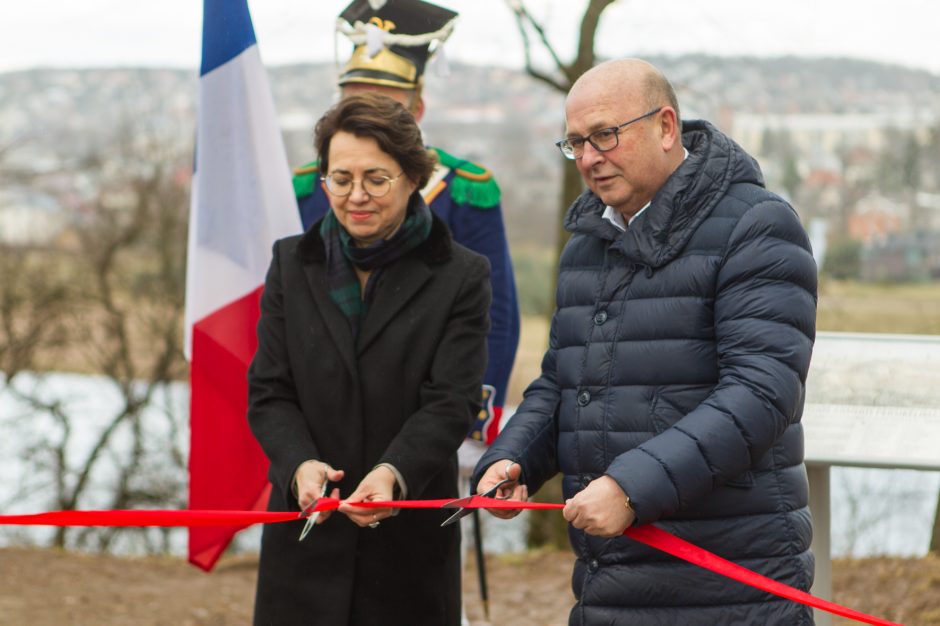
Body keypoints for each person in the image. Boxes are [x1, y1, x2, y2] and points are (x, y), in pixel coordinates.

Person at [473, 59, 818, 625]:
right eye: (576, 142)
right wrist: (512, 459)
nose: (588, 158)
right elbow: (561, 382)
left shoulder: (757, 225)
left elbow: (762, 394)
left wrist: (629, 490)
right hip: (611, 583)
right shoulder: (586, 245)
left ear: (665, 126)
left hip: (731, 588)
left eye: (605, 135)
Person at [248, 93, 491, 625]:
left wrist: (394, 472)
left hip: (407, 554)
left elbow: (451, 401)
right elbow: (269, 391)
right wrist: (299, 466)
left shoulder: (461, 276)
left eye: (376, 179)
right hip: (303, 547)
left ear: (411, 178)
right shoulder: (289, 264)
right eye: (340, 178)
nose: (356, 196)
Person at [292, 0, 519, 461]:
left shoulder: (463, 190)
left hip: (432, 412)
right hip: (323, 421)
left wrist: (473, 421)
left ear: (416, 107)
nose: (366, 114)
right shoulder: (307, 188)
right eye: (354, 100)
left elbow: (496, 316)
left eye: (383, 100)